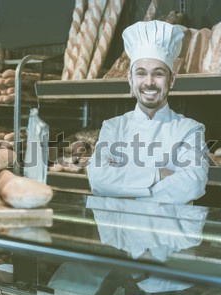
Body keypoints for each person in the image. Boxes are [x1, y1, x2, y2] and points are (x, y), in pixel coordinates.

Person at [87, 20, 209, 204]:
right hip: (123, 231)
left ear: (172, 79)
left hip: (169, 230)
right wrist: (159, 174)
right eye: (141, 73)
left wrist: (125, 193)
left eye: (158, 74)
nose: (149, 82)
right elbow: (97, 179)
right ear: (130, 78)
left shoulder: (190, 129)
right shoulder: (113, 127)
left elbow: (193, 184)